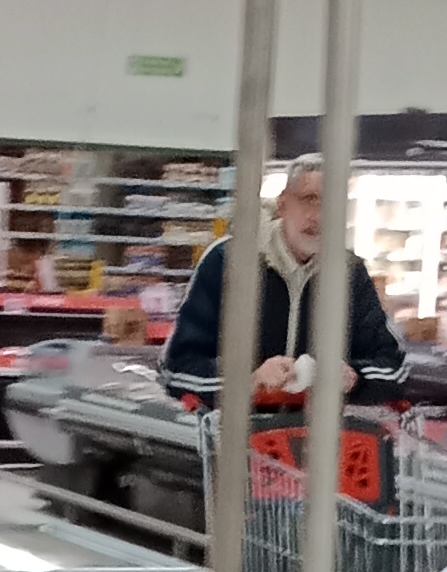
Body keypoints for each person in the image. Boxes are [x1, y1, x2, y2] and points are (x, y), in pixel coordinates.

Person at [162, 153, 412, 407]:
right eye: (309, 199)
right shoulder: (227, 263)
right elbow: (176, 370)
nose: (319, 216)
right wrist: (250, 380)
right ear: (282, 203)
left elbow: (394, 369)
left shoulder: (349, 275)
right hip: (235, 429)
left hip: (320, 431)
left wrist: (353, 378)